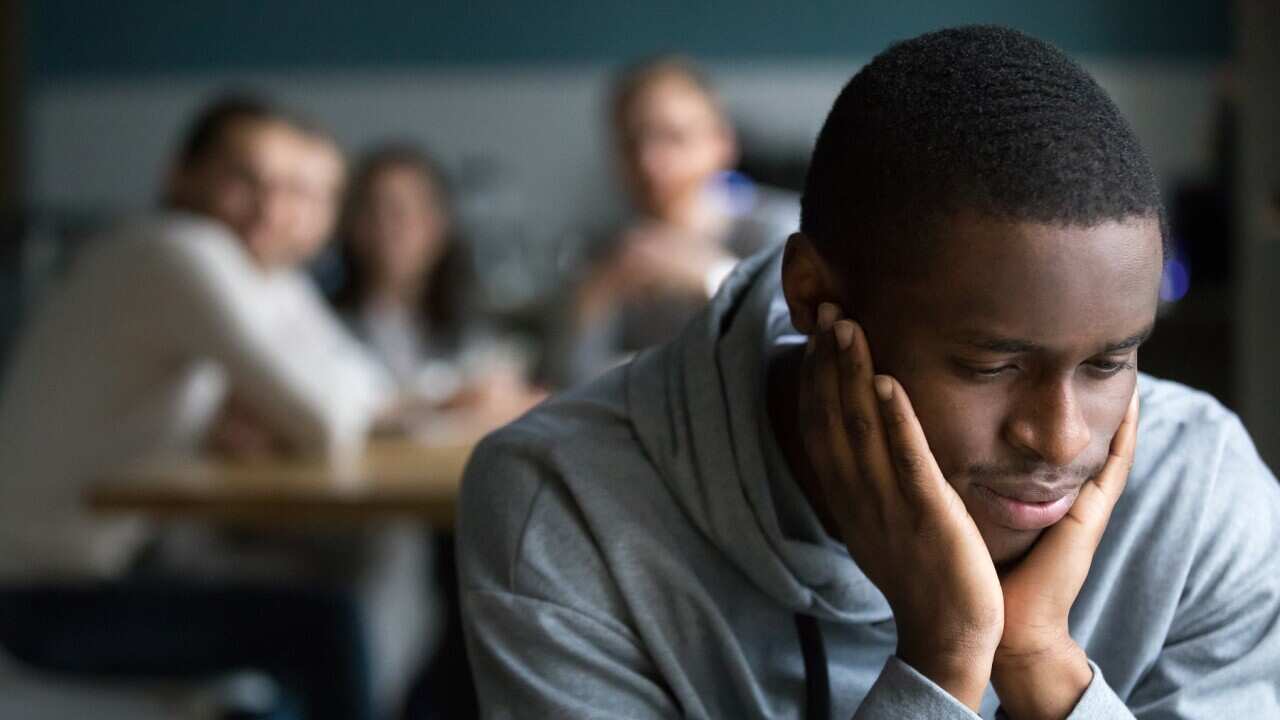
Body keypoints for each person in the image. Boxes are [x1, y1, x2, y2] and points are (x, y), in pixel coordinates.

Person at [458, 26, 1280, 719]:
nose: (1060, 437)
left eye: (1109, 363)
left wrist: (1042, 668)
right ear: (817, 301)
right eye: (990, 364)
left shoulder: (1199, 493)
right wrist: (944, 657)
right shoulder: (566, 507)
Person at [0, 94, 396, 720]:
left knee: (323, 599)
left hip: (113, 573)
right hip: (44, 601)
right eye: (243, 178)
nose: (270, 207)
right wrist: (300, 413)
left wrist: (310, 410)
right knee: (327, 622)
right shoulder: (176, 250)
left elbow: (374, 389)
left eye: (290, 188)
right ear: (180, 176)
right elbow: (327, 419)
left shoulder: (248, 271)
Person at [557, 56, 798, 384]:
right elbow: (567, 382)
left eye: (673, 137)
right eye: (632, 143)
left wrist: (712, 276)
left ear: (721, 143)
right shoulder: (604, 253)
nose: (649, 162)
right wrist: (595, 298)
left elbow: (791, 355)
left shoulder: (781, 231)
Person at [334, 144, 545, 431]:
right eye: (374, 210)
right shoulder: (325, 323)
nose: (390, 228)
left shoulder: (476, 317)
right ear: (352, 225)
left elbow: (522, 398)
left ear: (439, 223)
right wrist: (443, 402)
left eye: (404, 211)